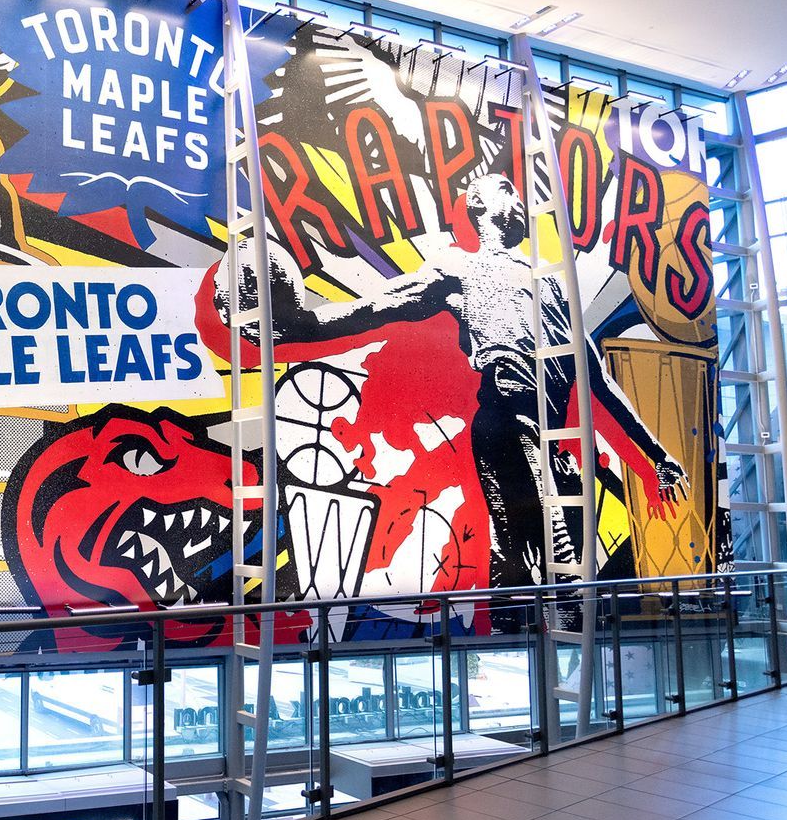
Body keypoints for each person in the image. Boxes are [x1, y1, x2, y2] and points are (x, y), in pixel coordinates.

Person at [232, 172, 687, 589]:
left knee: (525, 561)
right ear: (478, 205)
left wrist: (657, 456)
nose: (517, 196)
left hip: (547, 439)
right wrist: (301, 327)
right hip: (508, 426)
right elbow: (378, 307)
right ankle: (543, 631)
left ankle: (522, 629)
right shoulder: (460, 268)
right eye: (505, 188)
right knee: (556, 560)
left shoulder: (549, 282)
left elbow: (598, 381)